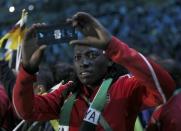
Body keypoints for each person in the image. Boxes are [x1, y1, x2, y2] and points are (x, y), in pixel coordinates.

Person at [13, 12, 175, 131]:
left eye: (92, 55)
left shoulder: (125, 86)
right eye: (78, 57)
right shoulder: (66, 92)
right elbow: (26, 111)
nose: (84, 63)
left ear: (109, 59)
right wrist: (27, 70)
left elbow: (164, 89)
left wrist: (114, 46)